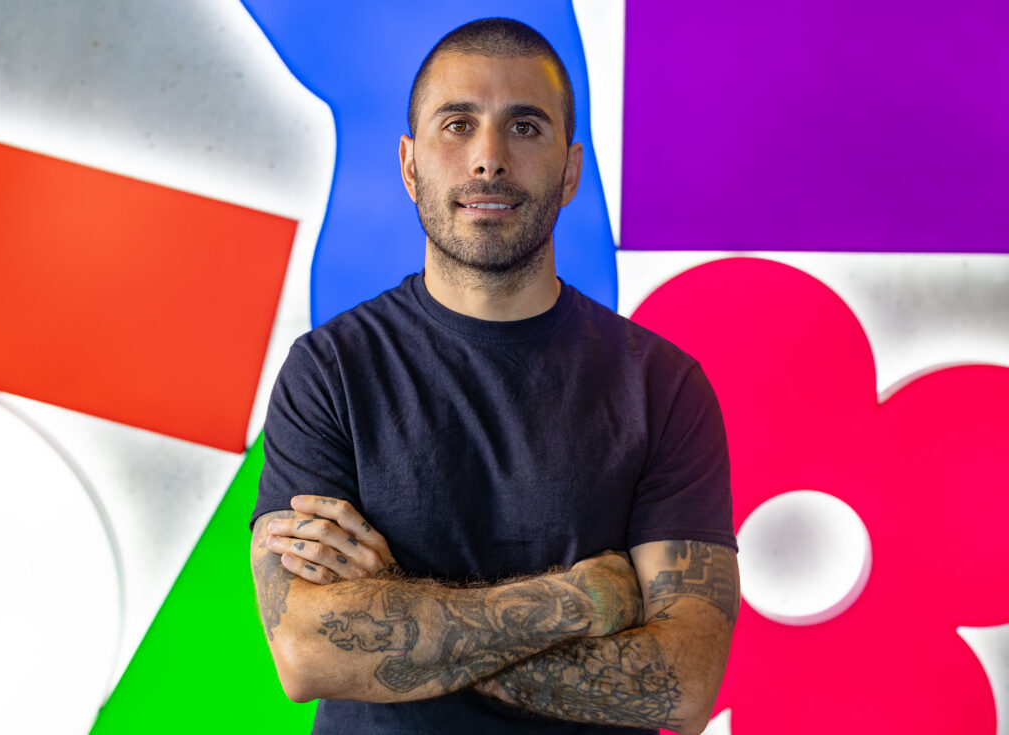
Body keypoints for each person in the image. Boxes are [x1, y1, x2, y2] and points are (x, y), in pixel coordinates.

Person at [250, 17, 738, 735]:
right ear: (409, 165)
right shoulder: (330, 372)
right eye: (458, 125)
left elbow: (681, 687)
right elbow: (307, 651)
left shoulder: (662, 387)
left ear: (570, 171)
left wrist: (394, 616)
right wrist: (579, 601)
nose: (488, 159)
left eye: (525, 128)